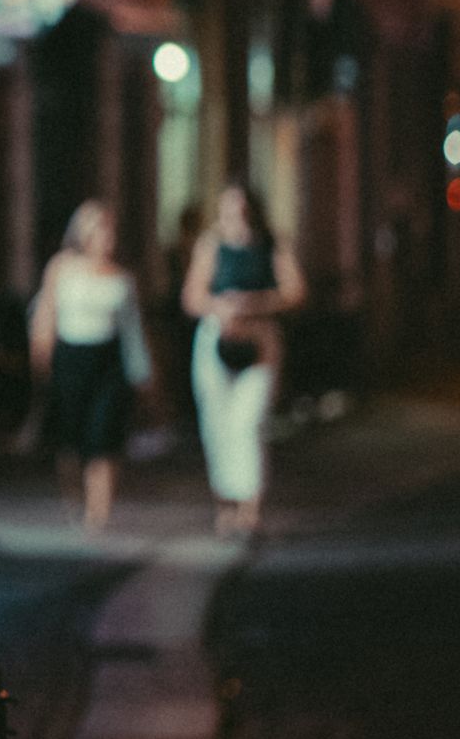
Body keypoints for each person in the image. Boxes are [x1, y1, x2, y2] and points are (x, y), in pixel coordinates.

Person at [179, 183, 306, 537]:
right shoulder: (211, 245)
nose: (236, 217)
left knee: (249, 422)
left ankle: (251, 506)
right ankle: (225, 504)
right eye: (228, 210)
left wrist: (257, 302)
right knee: (217, 422)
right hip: (217, 338)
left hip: (259, 340)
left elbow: (295, 291)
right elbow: (192, 296)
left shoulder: (272, 242)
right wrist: (221, 306)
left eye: (242, 209)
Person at [28, 200, 153, 535]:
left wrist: (143, 373)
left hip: (108, 360)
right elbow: (46, 313)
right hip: (70, 357)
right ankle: (74, 496)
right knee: (71, 438)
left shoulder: (123, 275)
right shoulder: (62, 267)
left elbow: (133, 329)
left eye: (109, 228)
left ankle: (98, 512)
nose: (105, 235)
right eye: (98, 228)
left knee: (103, 434)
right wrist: (41, 359)